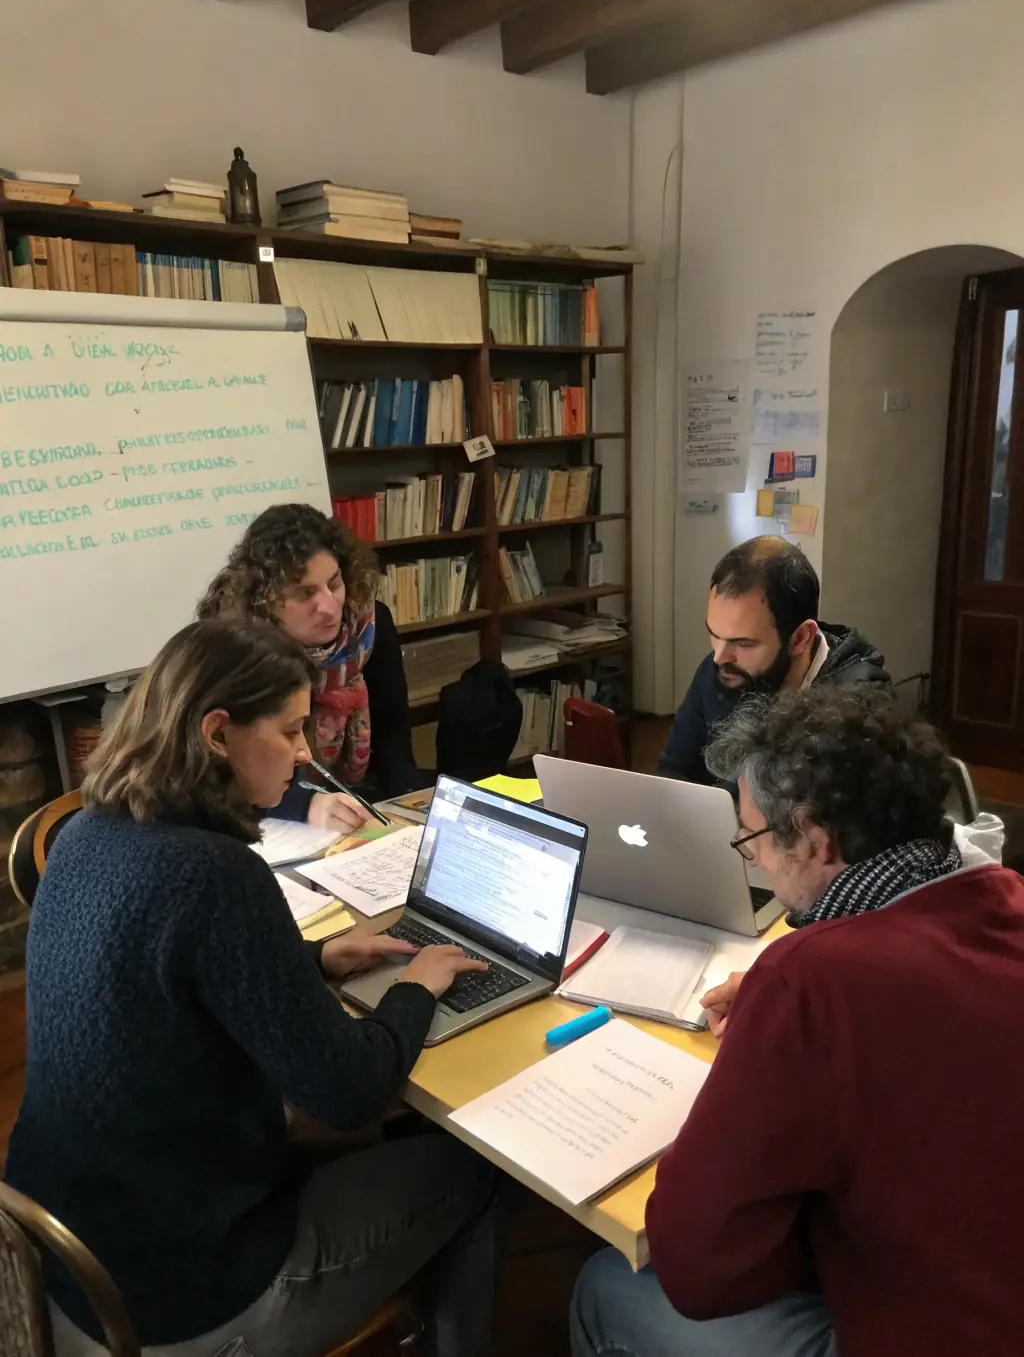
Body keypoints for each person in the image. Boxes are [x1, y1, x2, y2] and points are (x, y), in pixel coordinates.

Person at [5, 620, 497, 1357]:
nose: (306, 752)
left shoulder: (83, 834)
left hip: (60, 1267)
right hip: (184, 1300)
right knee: (474, 1168)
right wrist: (417, 986)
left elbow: (170, 965)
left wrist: (315, 956)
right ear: (217, 732)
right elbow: (350, 1090)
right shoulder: (217, 874)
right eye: (293, 729)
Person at [572, 686, 1024, 1357]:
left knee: (607, 1284)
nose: (750, 856)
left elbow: (698, 1268)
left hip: (926, 1330)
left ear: (813, 839)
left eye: (751, 835)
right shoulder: (1003, 896)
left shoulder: (809, 981)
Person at [197, 503, 427, 834]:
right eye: (305, 593)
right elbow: (218, 773)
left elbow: (394, 740)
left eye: (334, 583)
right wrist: (306, 805)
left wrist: (407, 802)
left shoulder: (368, 625)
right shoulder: (235, 650)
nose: (329, 607)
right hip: (274, 810)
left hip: (361, 796)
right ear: (266, 599)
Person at [658, 536, 889, 783]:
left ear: (800, 638)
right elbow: (673, 771)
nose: (719, 656)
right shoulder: (720, 672)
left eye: (743, 643)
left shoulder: (858, 704)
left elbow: (844, 815)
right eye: (714, 635)